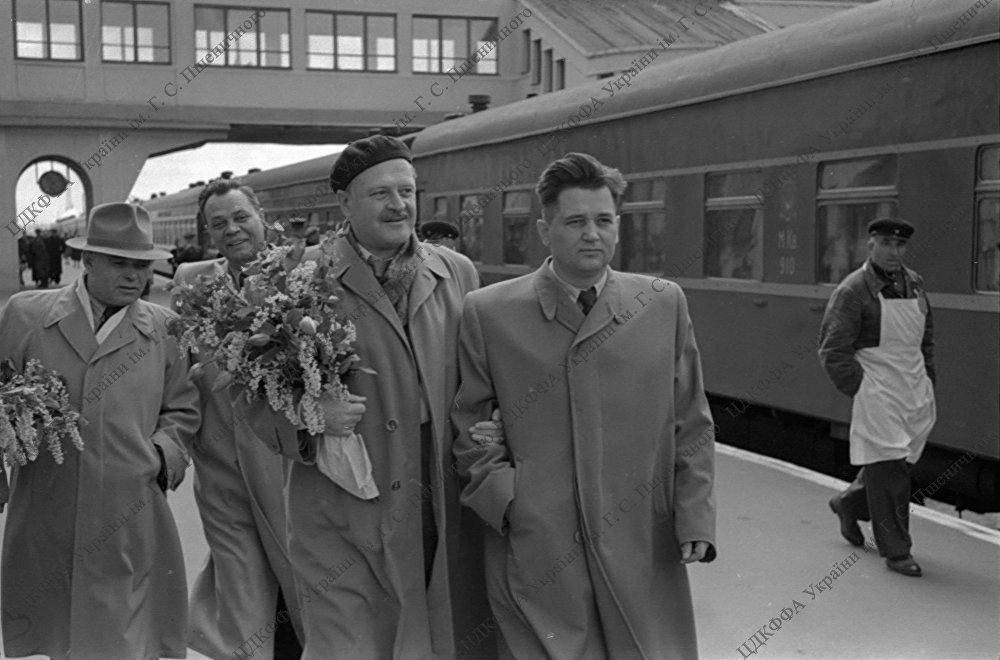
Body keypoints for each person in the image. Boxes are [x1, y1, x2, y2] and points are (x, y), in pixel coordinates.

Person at [451, 152, 717, 659]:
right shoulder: (490, 313)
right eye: (575, 221)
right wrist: (509, 504)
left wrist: (694, 517)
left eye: (604, 221)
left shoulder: (662, 304)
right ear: (544, 229)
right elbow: (470, 425)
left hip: (644, 543)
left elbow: (692, 422)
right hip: (539, 548)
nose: (592, 234)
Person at [241, 135, 494, 658]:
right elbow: (250, 401)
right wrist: (310, 416)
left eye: (408, 190)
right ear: (344, 203)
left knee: (434, 636)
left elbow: (479, 377)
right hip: (343, 502)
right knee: (349, 641)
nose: (399, 205)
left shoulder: (456, 273)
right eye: (381, 193)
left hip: (436, 495)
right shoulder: (293, 278)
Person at [0, 202, 199, 659]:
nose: (133, 277)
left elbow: (183, 409)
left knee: (124, 629)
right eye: (118, 263)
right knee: (60, 626)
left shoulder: (165, 328)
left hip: (130, 506)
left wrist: (159, 455)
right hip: (50, 502)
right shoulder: (27, 315)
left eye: (141, 267)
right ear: (86, 260)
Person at [173, 178, 304, 659]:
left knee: (300, 579)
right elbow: (178, 360)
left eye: (240, 217)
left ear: (261, 216)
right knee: (241, 585)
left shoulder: (301, 272)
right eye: (218, 224)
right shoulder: (192, 280)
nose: (231, 230)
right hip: (221, 463)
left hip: (289, 464)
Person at [820, 217, 935, 577]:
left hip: (913, 387)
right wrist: (863, 389)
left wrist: (928, 382)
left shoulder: (915, 284)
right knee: (889, 467)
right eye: (886, 244)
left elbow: (925, 341)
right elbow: (833, 350)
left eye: (900, 245)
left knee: (898, 462)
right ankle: (897, 551)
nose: (894, 251)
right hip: (878, 389)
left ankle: (848, 502)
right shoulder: (854, 290)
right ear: (870, 245)